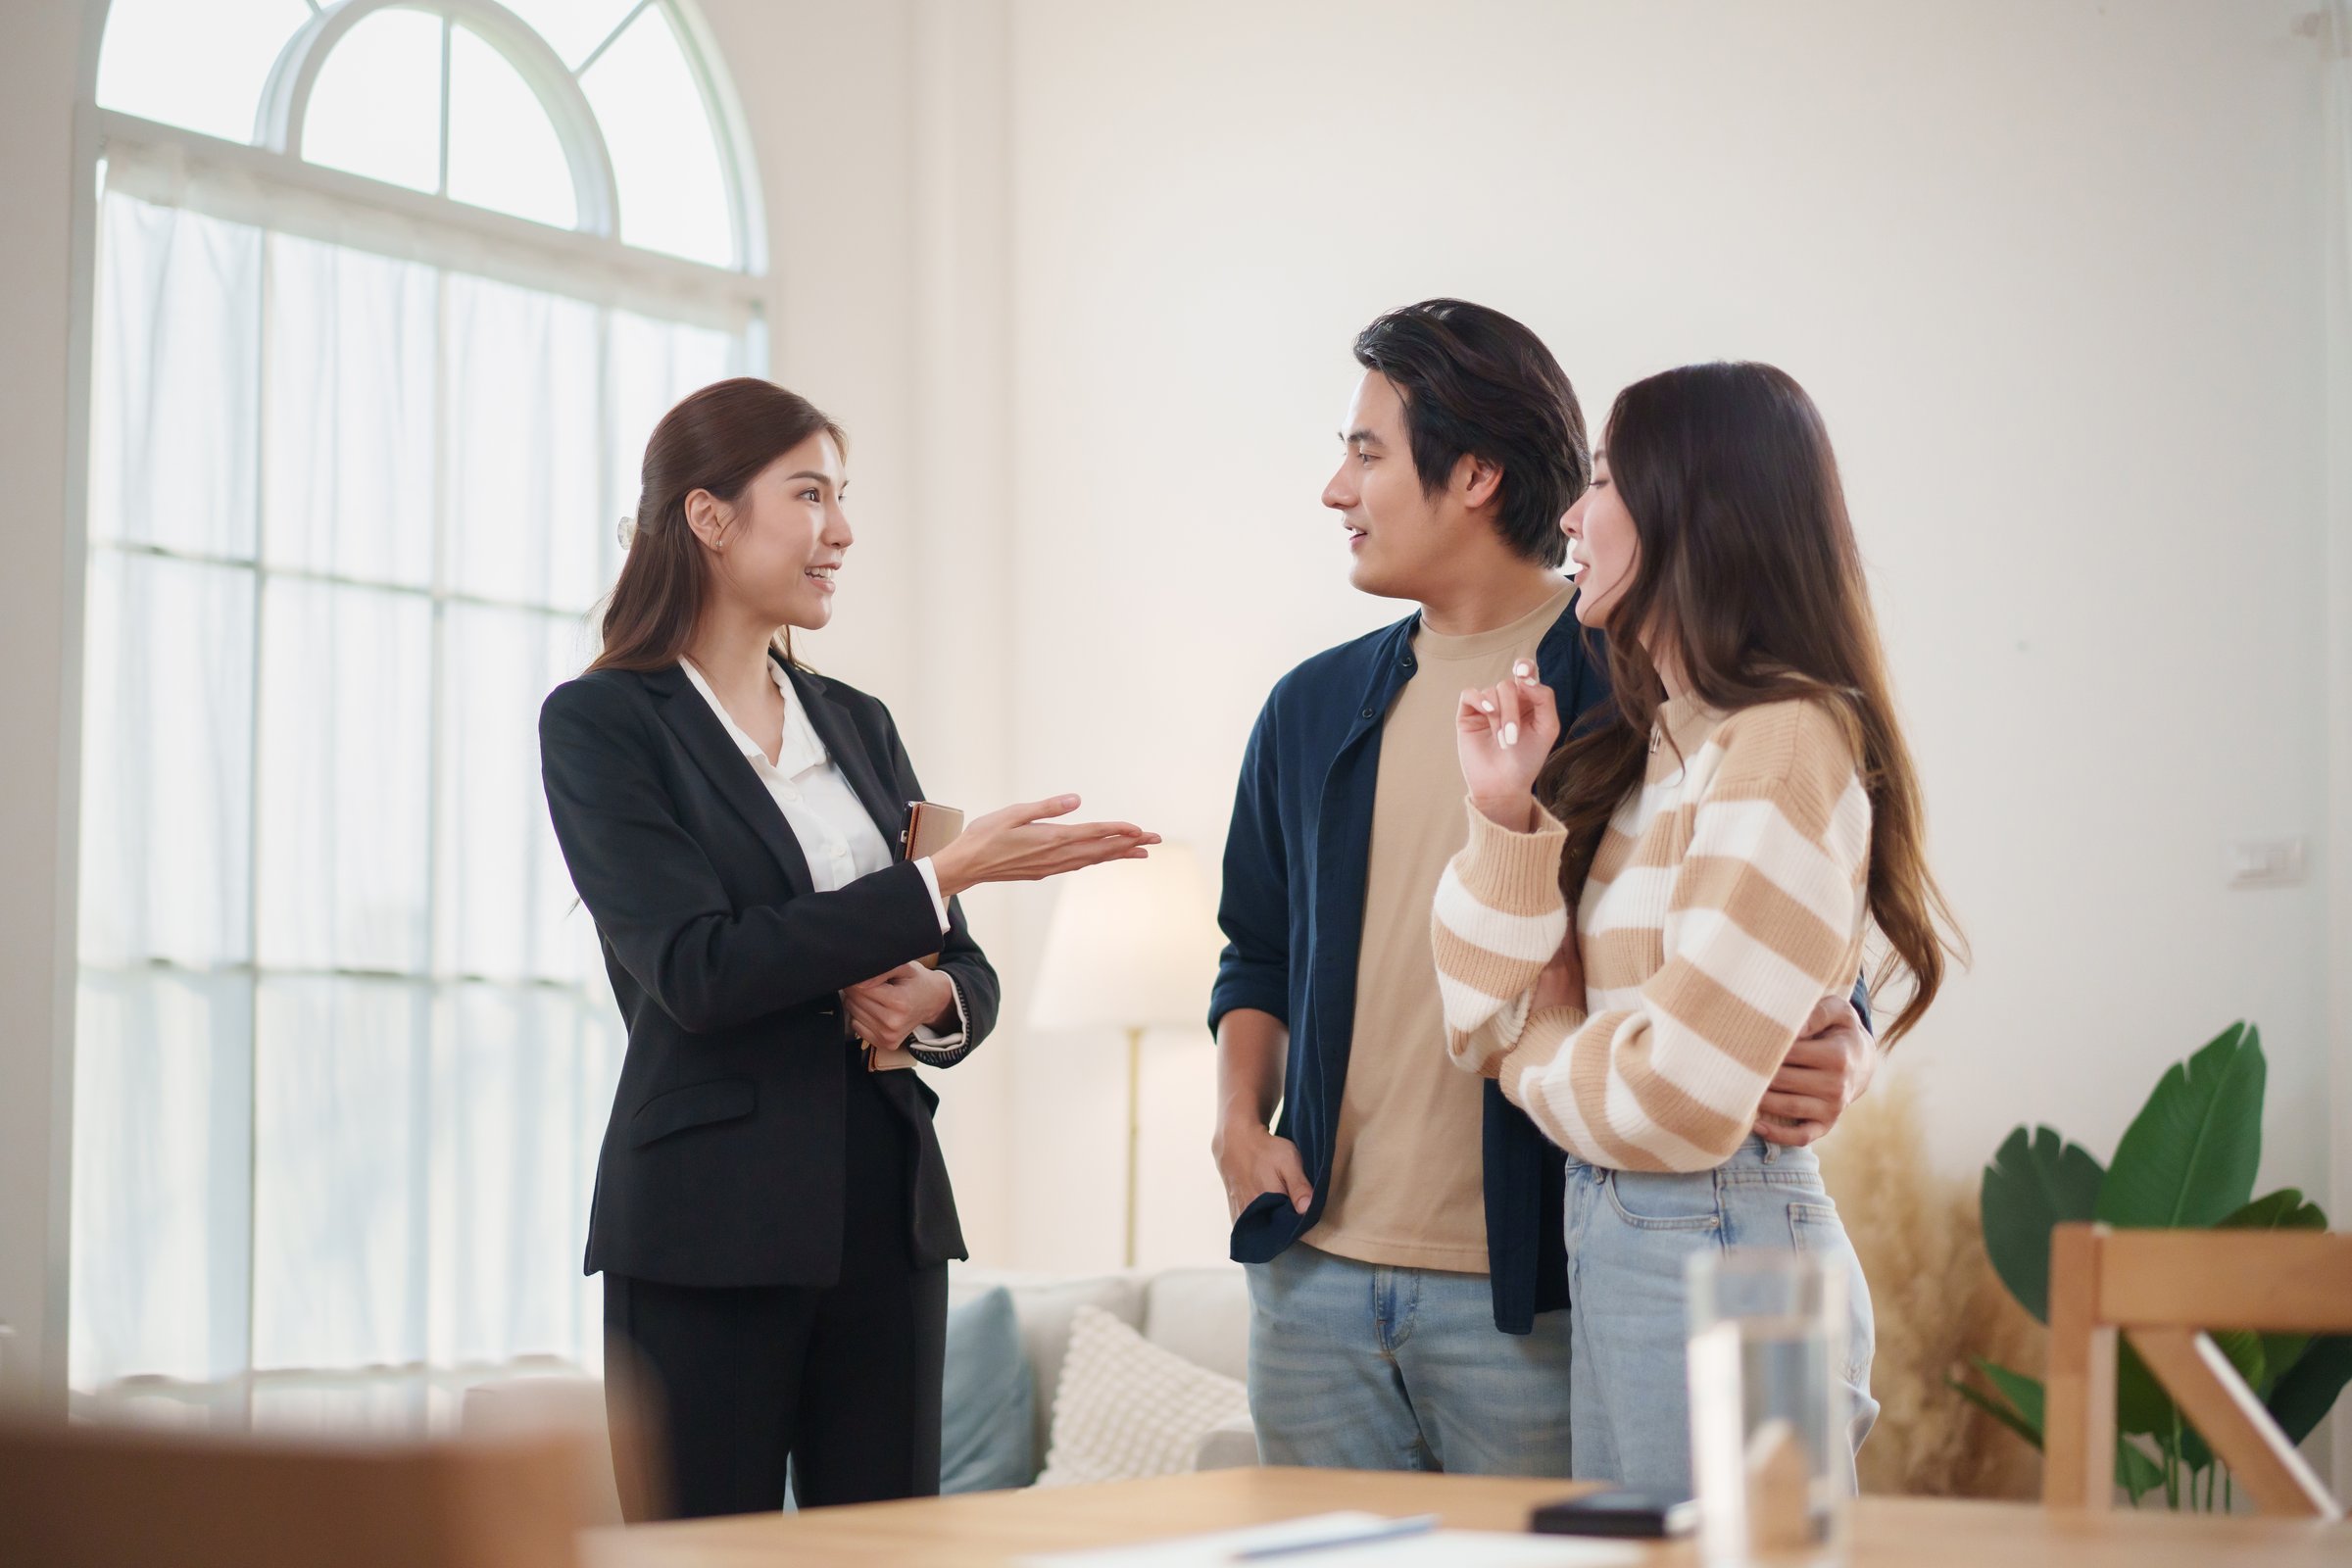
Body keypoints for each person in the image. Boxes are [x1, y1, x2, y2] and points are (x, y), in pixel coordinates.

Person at [1209, 302, 1879, 1476]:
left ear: (1473, 474)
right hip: (1320, 1280)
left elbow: (1783, 919)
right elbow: (1259, 949)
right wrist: (1233, 1120)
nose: (1336, 488)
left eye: (1366, 452)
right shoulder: (1312, 710)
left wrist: (1848, 1031)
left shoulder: (1652, 685)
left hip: (1545, 1290)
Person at [540, 378, 1157, 1516]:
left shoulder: (858, 723)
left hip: (887, 1215)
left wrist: (934, 1000)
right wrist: (940, 877)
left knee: (885, 1550)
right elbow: (700, 969)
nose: (844, 531)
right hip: (707, 1227)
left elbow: (959, 962)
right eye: (810, 494)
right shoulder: (603, 723)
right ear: (710, 516)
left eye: (844, 497)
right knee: (705, 1553)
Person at [1433, 361, 1962, 1492]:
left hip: (1720, 1237)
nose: (1572, 516)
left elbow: (1673, 1094)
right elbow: (1474, 1010)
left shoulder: (1782, 745)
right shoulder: (1659, 748)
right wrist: (1503, 812)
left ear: (1696, 502)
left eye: (1605, 480)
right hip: (1641, 1234)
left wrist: (1540, 1042)